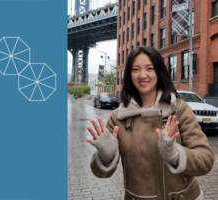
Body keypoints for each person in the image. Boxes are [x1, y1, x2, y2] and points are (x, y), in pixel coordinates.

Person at [86, 46, 214, 200]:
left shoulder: (179, 110)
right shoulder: (118, 117)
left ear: (158, 72)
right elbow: (100, 173)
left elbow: (206, 161)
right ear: (129, 75)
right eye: (135, 69)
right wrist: (105, 155)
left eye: (149, 68)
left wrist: (173, 153)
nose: (142, 75)